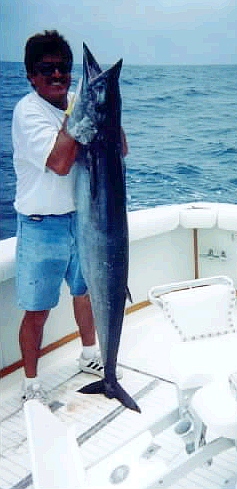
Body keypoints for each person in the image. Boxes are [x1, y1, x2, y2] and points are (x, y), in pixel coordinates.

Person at [12, 30, 127, 404]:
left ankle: (92, 358)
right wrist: (85, 114)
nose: (58, 75)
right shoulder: (27, 111)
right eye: (47, 69)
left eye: (63, 68)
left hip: (83, 222)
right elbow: (61, 163)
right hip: (42, 226)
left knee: (86, 293)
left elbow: (121, 149)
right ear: (31, 75)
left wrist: (106, 113)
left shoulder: (78, 103)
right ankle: (31, 383)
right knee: (38, 310)